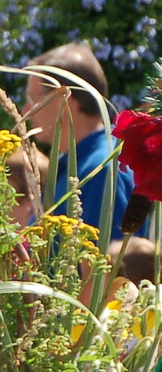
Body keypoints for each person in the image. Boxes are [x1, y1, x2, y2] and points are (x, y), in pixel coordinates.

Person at [23, 42, 134, 243]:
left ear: (64, 99)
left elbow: (104, 268)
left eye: (33, 98)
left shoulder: (101, 170)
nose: (25, 111)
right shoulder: (82, 164)